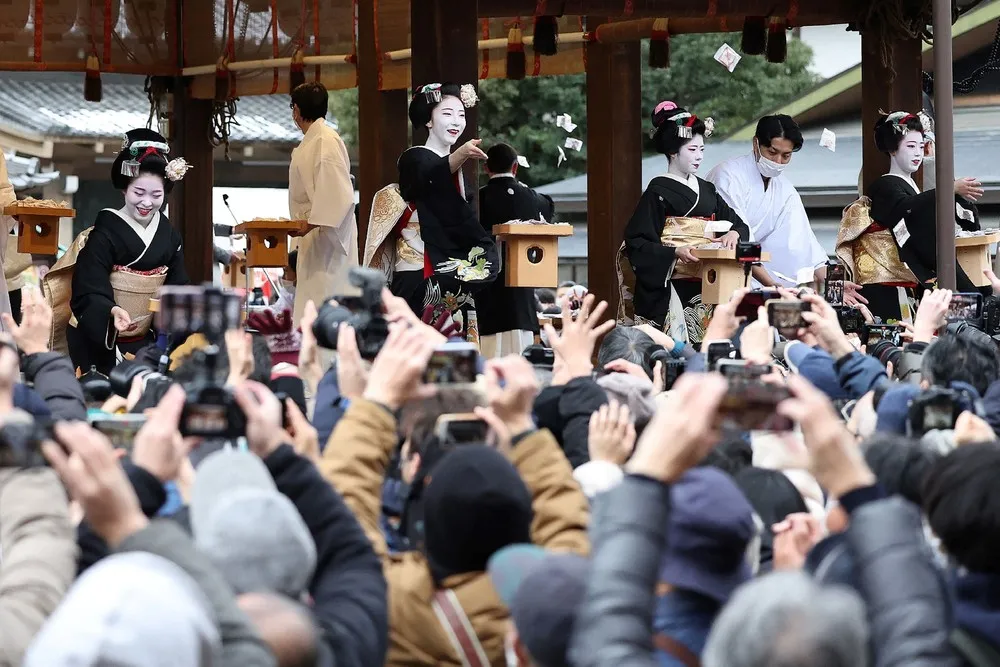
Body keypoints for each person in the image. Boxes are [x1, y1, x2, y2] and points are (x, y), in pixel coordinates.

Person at [362, 82, 499, 342]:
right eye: (446, 113)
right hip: (419, 271)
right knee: (416, 350)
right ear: (428, 120)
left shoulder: (454, 170)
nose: (455, 121)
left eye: (461, 114)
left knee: (453, 356)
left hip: (451, 274)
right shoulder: (414, 159)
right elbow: (427, 177)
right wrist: (458, 156)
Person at [58, 128, 190, 373]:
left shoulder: (169, 235)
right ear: (124, 189)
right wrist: (111, 309)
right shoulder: (105, 232)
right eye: (138, 192)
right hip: (103, 336)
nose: (147, 202)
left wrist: (170, 307)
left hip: (146, 339)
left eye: (156, 194)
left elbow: (178, 283)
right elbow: (89, 286)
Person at [620, 101, 750, 344]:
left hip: (708, 284)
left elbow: (739, 224)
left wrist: (735, 234)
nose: (699, 156)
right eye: (692, 150)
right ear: (673, 151)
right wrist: (675, 251)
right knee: (671, 352)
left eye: (702, 149)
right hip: (672, 285)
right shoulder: (657, 191)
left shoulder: (708, 190)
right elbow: (636, 240)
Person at [838, 111, 984, 321]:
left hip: (913, 281)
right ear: (892, 149)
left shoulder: (911, 187)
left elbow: (919, 208)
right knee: (897, 341)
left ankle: (978, 309)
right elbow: (906, 209)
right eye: (910, 146)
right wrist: (948, 190)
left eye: (920, 146)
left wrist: (955, 197)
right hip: (885, 284)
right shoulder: (884, 185)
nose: (918, 153)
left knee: (951, 319)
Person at [706, 115, 829, 288]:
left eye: (786, 156)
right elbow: (738, 237)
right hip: (728, 274)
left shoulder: (785, 188)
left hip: (766, 277)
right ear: (756, 143)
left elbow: (805, 242)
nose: (778, 162)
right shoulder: (728, 175)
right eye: (772, 152)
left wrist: (834, 284)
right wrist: (771, 285)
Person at [288, 82, 359, 333]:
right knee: (312, 303)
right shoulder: (314, 141)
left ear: (296, 110)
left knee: (326, 302)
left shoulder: (325, 140)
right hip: (313, 233)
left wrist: (310, 223)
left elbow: (337, 195)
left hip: (326, 234)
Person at [477, 143, 554, 357]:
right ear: (515, 167)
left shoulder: (478, 200)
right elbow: (548, 209)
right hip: (522, 293)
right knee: (522, 356)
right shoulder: (535, 199)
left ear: (486, 168)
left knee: (489, 357)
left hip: (487, 286)